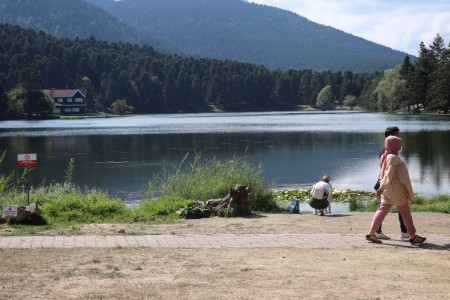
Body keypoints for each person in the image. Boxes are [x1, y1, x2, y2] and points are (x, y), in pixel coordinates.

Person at [366, 136, 426, 245]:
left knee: (382, 210)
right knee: (405, 212)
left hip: (388, 189)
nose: (400, 146)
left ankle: (371, 233)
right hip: (394, 189)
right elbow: (389, 174)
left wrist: (382, 188)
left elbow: (386, 174)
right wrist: (382, 188)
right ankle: (412, 236)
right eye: (398, 144)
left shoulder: (385, 155)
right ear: (395, 145)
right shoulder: (392, 157)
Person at [374, 127, 409, 240]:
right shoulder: (389, 150)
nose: (399, 136)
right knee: (397, 205)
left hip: (384, 181)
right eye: (397, 134)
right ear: (392, 136)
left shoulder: (387, 149)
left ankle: (377, 231)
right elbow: (387, 170)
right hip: (388, 182)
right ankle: (404, 232)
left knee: (388, 207)